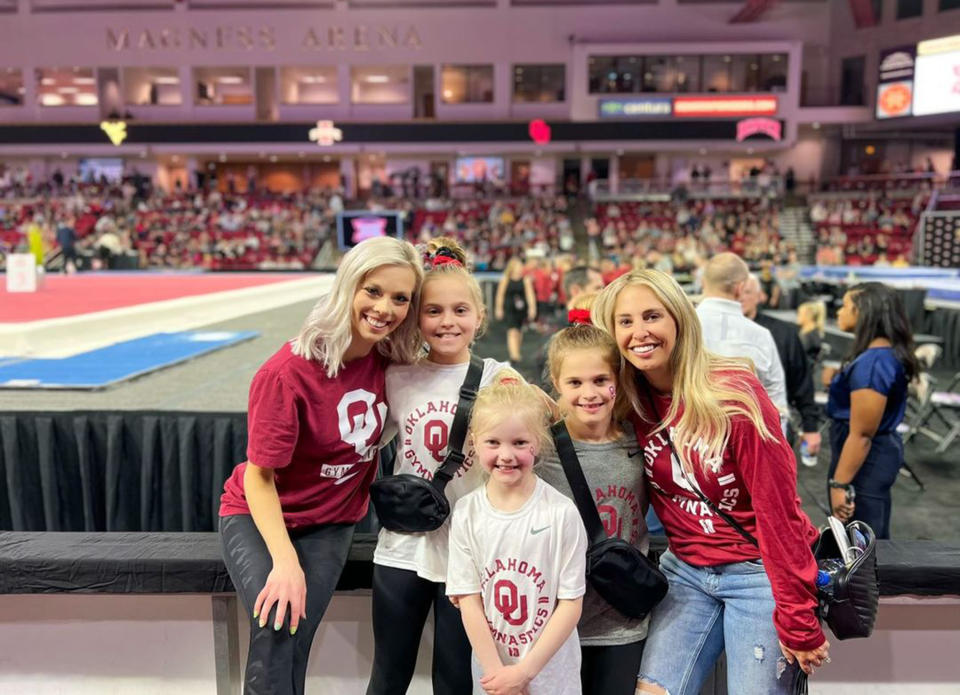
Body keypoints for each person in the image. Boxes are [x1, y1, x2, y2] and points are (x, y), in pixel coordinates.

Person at [592, 269, 830, 695]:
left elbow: (778, 512)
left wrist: (797, 616)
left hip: (758, 572)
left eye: (652, 316)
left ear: (679, 319)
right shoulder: (630, 402)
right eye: (624, 322)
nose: (639, 332)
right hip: (685, 570)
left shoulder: (735, 397)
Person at [218, 237, 424, 695]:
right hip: (261, 513)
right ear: (347, 286)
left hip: (330, 521)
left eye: (400, 298)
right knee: (277, 623)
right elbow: (259, 476)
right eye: (372, 291)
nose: (384, 308)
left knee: (295, 631)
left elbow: (453, 374)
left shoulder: (392, 362)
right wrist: (284, 560)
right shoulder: (286, 374)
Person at [367, 237, 513, 695]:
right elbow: (361, 447)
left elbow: (543, 436)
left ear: (478, 317)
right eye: (433, 311)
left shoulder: (500, 377)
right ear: (417, 318)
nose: (447, 322)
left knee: (455, 680)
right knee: (388, 675)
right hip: (402, 547)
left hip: (469, 553)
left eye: (459, 311)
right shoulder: (397, 376)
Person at [447, 376, 588, 695]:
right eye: (493, 443)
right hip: (493, 678)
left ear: (537, 443)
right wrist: (498, 675)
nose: (506, 455)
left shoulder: (561, 513)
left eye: (519, 443)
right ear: (474, 441)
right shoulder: (468, 513)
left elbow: (570, 604)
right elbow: (468, 600)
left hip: (551, 679)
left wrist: (524, 673)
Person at [538, 322, 649, 695]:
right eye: (575, 383)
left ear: (618, 378)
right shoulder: (538, 450)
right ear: (555, 382)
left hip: (622, 622)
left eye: (601, 380)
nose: (590, 393)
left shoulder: (640, 442)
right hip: (551, 627)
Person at [825, 283, 919, 539]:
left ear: (864, 312)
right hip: (870, 455)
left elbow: (862, 434)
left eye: (845, 306)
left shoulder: (874, 363)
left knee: (864, 543)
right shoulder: (878, 357)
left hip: (865, 459)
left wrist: (839, 484)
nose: (839, 312)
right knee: (866, 537)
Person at [741, 274, 821, 460]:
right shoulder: (714, 333)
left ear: (760, 295)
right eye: (735, 292)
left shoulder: (783, 334)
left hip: (774, 428)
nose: (741, 297)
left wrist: (810, 427)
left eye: (747, 292)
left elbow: (801, 381)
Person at [696, 252, 788, 414]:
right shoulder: (761, 337)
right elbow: (777, 406)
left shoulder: (678, 327)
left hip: (684, 434)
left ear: (703, 282)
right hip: (748, 435)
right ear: (741, 288)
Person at [495, 256, 537, 363]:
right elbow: (500, 295)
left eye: (520, 266)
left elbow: (530, 295)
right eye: (517, 266)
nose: (519, 269)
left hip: (521, 309)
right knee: (512, 331)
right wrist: (498, 308)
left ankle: (517, 352)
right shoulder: (505, 280)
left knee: (518, 331)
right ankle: (514, 355)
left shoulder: (526, 280)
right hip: (509, 308)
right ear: (512, 268)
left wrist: (532, 308)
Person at [797, 301, 826, 366]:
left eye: (800, 313)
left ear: (808, 316)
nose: (797, 316)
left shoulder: (809, 335)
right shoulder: (810, 332)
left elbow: (799, 355)